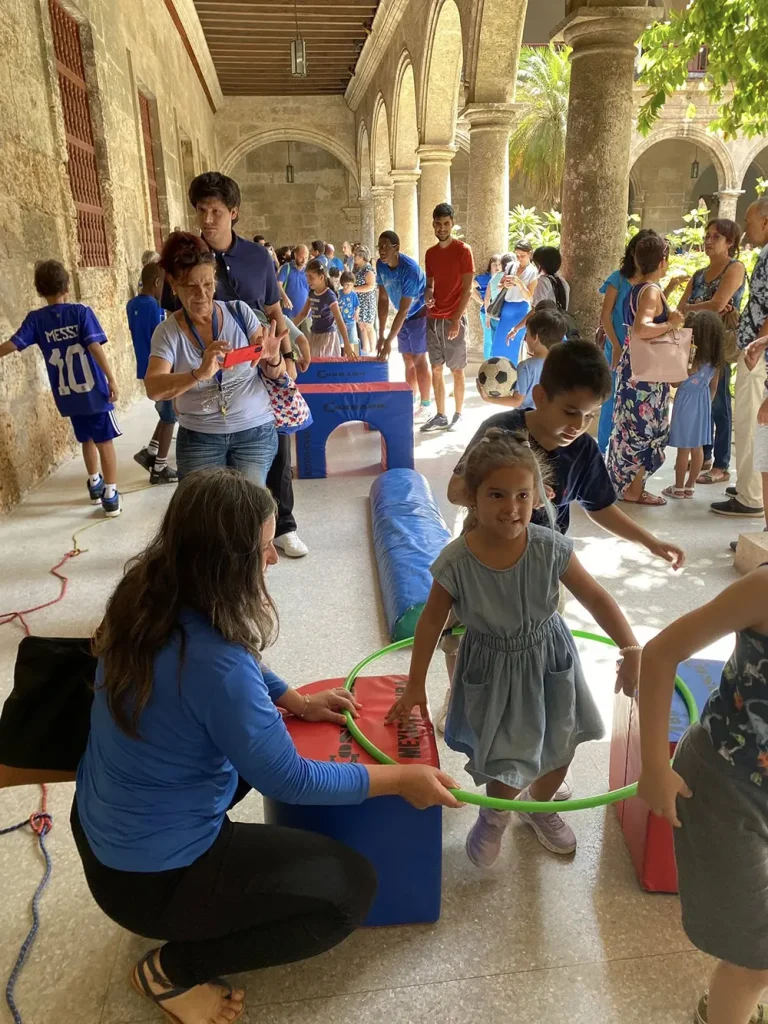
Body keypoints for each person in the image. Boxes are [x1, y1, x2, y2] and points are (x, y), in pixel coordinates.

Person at [72, 468, 461, 1024]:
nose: (273, 558)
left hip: (100, 837)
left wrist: (293, 699)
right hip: (154, 883)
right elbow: (290, 778)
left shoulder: (145, 590)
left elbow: (233, 655)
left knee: (250, 740)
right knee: (350, 892)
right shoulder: (218, 668)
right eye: (262, 549)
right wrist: (403, 779)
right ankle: (171, 971)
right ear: (223, 563)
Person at [387, 428, 642, 864]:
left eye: (523, 495)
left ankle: (537, 807)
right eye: (497, 495)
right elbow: (430, 623)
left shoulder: (550, 547)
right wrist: (415, 685)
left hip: (550, 659)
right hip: (493, 668)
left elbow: (597, 597)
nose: (512, 507)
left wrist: (631, 649)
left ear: (539, 496)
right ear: (473, 498)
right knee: (505, 755)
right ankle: (496, 814)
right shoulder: (457, 561)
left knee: (562, 745)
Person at [437, 340, 685, 733]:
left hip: (542, 564)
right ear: (540, 397)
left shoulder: (583, 450)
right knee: (463, 634)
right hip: (482, 558)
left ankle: (529, 710)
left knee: (537, 640)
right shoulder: (501, 431)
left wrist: (648, 541)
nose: (578, 425)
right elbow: (455, 490)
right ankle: (460, 696)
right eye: (570, 412)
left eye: (589, 416)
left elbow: (600, 506)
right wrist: (514, 496)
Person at [637, 567, 768, 1024]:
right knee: (755, 960)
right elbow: (661, 652)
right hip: (725, 787)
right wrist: (655, 765)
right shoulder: (763, 590)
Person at [182, 172, 305, 558]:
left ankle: (283, 525)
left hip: (258, 368)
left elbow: (274, 310)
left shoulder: (257, 257)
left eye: (216, 211)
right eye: (201, 210)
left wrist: (286, 356)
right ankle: (223, 540)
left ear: (233, 212)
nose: (207, 219)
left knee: (278, 445)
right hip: (209, 376)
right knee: (216, 460)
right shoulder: (189, 258)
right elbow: (178, 315)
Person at [144, 232, 285, 487]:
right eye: (191, 286)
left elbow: (274, 372)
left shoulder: (240, 312)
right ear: (174, 284)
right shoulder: (167, 333)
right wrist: (198, 374)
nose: (202, 294)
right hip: (200, 437)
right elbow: (154, 388)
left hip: (253, 430)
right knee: (204, 508)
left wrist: (274, 357)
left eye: (208, 284)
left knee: (250, 503)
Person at [0, 259, 121, 517]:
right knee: (105, 441)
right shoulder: (81, 313)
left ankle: (94, 482)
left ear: (39, 290)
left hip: (68, 396)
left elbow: (13, 344)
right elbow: (94, 346)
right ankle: (111, 494)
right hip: (94, 393)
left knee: (86, 438)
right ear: (67, 286)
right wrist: (111, 378)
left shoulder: (36, 320)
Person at [606, 234, 685, 506]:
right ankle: (634, 489)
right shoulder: (650, 291)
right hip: (648, 376)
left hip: (634, 367)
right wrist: (671, 324)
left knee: (628, 428)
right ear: (663, 261)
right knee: (647, 431)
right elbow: (642, 328)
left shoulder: (637, 288)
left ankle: (625, 484)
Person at [677, 219, 747, 487]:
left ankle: (721, 464)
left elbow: (717, 305)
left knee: (719, 403)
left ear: (730, 242)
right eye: (707, 235)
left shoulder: (734, 268)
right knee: (701, 402)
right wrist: (697, 307)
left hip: (718, 346)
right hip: (694, 346)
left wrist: (693, 307)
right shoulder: (698, 274)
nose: (708, 240)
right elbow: (681, 308)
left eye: (716, 236)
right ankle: (703, 456)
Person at [710, 200, 768, 520]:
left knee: (750, 424)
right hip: (757, 351)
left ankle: (751, 496)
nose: (746, 228)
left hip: (759, 355)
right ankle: (750, 485)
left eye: (749, 221)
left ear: (766, 221)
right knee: (749, 423)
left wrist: (758, 346)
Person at [597, 229, 658, 455]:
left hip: (640, 353)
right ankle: (602, 450)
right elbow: (606, 315)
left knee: (635, 404)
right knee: (610, 401)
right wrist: (615, 346)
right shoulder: (618, 278)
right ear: (633, 252)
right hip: (616, 349)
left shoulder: (652, 284)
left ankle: (626, 453)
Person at [422, 203, 475, 432]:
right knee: (436, 368)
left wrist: (456, 319)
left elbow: (468, 289)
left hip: (454, 319)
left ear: (452, 223)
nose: (442, 228)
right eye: (438, 223)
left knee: (456, 369)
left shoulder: (463, 250)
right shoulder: (430, 253)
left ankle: (458, 414)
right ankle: (440, 414)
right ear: (433, 224)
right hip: (433, 319)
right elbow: (430, 284)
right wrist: (428, 294)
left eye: (446, 223)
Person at [662, 310, 725, 500]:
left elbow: (675, 383)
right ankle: (690, 487)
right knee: (697, 448)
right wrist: (706, 403)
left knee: (683, 449)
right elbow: (713, 387)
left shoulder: (690, 357)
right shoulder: (715, 361)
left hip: (685, 403)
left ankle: (678, 487)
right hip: (703, 403)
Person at [127, 262, 178, 485]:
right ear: (157, 283)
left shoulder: (132, 304)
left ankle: (151, 451)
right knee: (170, 417)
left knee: (165, 411)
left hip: (144, 366)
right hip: (161, 369)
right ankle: (160, 468)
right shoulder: (155, 308)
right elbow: (162, 338)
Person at [375, 230, 431, 416]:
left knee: (419, 358)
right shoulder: (380, 265)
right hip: (403, 316)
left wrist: (388, 341)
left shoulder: (410, 270)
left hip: (418, 313)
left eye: (386, 246)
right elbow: (383, 299)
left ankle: (426, 404)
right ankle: (411, 397)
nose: (382, 250)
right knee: (407, 358)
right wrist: (381, 335)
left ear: (396, 248)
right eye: (380, 246)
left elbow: (405, 309)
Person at [477, 309, 567, 411]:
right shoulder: (560, 365)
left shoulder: (526, 367)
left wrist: (488, 398)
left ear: (535, 338)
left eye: (527, 334)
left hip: (526, 418)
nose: (525, 338)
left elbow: (517, 401)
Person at [294, 259, 356, 360]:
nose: (308, 280)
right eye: (307, 276)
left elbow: (339, 320)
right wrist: (289, 328)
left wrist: (346, 343)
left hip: (327, 337)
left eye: (311, 277)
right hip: (314, 335)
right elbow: (303, 314)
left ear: (321, 277)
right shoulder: (312, 293)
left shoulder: (329, 295)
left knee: (324, 365)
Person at [493, 241, 537, 362]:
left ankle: (514, 370)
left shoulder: (533, 271)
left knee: (515, 345)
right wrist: (504, 285)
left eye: (522, 256)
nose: (519, 258)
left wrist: (519, 283)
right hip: (506, 308)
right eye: (517, 255)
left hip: (521, 310)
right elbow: (498, 285)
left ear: (530, 254)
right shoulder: (511, 266)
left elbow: (529, 295)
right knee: (500, 343)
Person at [472, 253, 501, 360]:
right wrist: (481, 301)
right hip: (486, 312)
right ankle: (487, 363)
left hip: (500, 314)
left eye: (499, 264)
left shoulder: (503, 277)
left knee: (498, 339)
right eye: (494, 264)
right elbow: (468, 287)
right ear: (490, 266)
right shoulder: (484, 278)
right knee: (488, 339)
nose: (497, 267)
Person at [278, 243, 311, 332]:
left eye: (306, 258)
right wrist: (285, 297)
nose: (304, 260)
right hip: (289, 314)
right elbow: (278, 284)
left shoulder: (309, 271)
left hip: (307, 315)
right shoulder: (286, 268)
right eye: (301, 257)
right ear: (295, 255)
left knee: (307, 339)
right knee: (290, 338)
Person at [353, 244, 377, 353]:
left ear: (362, 256)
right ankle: (365, 349)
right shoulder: (357, 268)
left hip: (367, 302)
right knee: (361, 326)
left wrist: (354, 289)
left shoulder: (368, 269)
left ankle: (373, 349)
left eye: (356, 255)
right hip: (359, 301)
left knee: (368, 326)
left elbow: (370, 286)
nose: (354, 257)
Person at [338, 271, 361, 353]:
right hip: (340, 322)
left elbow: (357, 306)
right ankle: (343, 358)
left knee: (351, 343)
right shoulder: (338, 294)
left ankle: (351, 358)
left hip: (351, 322)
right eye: (346, 284)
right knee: (341, 344)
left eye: (351, 285)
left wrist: (356, 313)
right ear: (342, 283)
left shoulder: (353, 295)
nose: (348, 286)